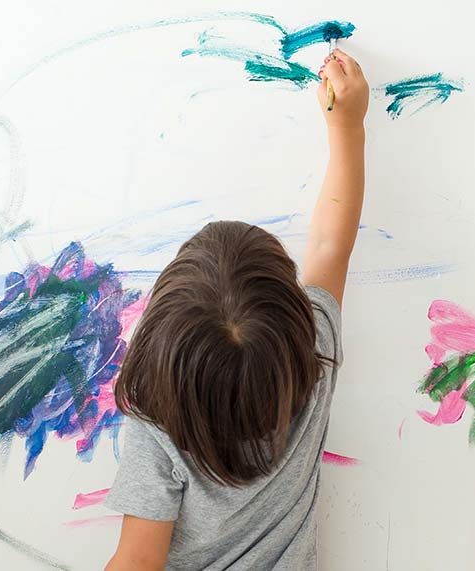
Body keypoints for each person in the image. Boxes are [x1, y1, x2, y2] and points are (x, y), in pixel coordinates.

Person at [103, 49, 369, 570]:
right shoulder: (313, 360)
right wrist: (348, 129)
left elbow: (137, 562)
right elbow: (329, 249)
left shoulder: (159, 427)